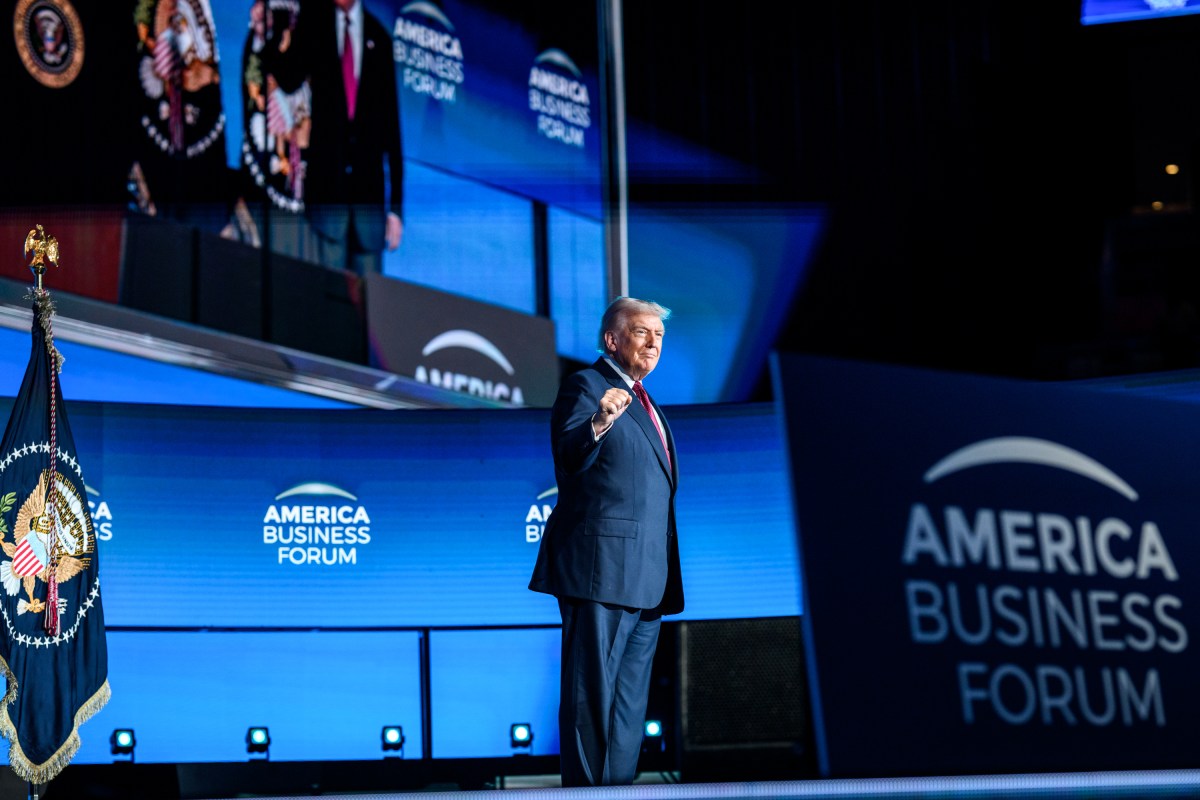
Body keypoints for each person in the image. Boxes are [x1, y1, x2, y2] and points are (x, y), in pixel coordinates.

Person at [529, 296, 684, 787]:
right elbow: (569, 456)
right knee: (589, 696)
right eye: (642, 332)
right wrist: (598, 422)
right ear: (612, 340)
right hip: (600, 569)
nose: (654, 342)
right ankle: (587, 797)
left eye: (659, 335)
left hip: (647, 576)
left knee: (627, 707)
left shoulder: (645, 400)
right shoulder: (587, 386)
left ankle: (618, 793)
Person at [273, 0, 404, 275]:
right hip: (328, 199)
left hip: (369, 207)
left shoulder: (379, 39)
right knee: (328, 301)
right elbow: (287, 79)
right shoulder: (316, 27)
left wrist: (396, 209)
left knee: (369, 307)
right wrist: (287, 29)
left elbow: (391, 129)